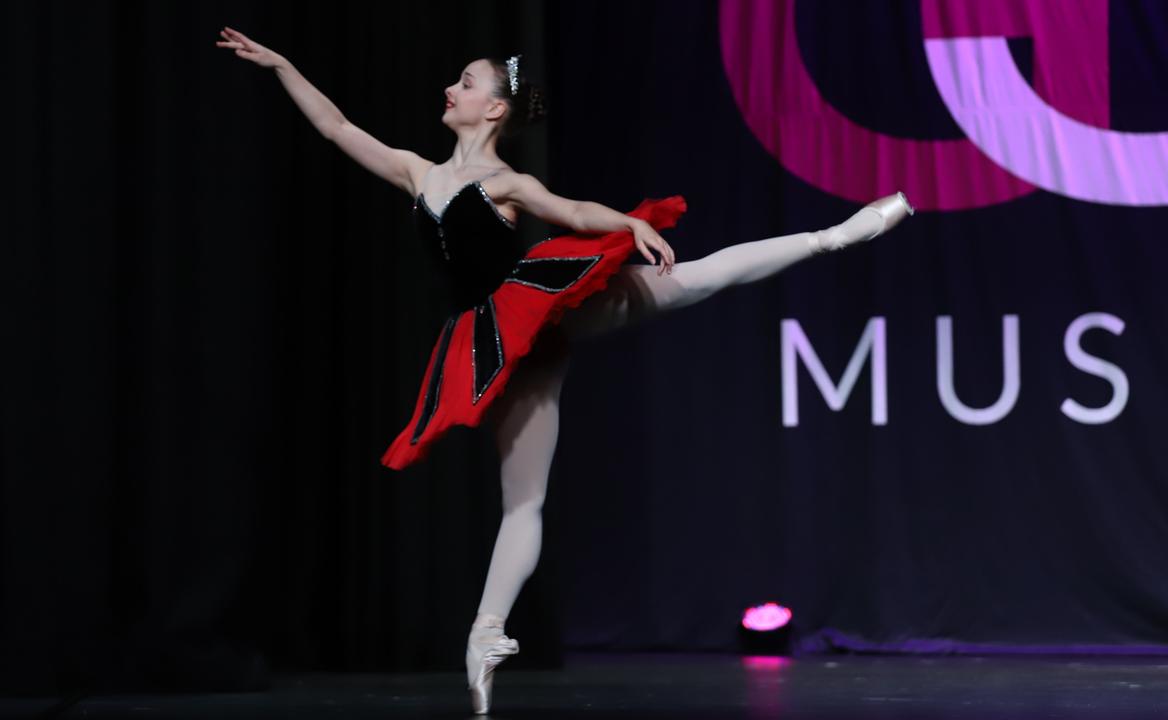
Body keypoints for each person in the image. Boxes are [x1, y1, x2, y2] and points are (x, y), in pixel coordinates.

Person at [217, 26, 912, 715]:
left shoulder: (506, 181)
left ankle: (832, 236)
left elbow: (571, 211)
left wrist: (627, 226)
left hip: (540, 305)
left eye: (465, 81)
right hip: (495, 340)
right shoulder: (417, 172)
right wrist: (281, 63)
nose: (449, 88)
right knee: (522, 499)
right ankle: (486, 633)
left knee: (698, 278)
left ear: (493, 109)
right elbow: (337, 127)